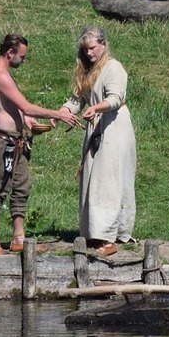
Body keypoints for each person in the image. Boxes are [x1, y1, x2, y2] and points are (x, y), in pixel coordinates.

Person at [0, 33, 81, 256]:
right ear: (10, 53)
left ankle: (19, 238)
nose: (24, 61)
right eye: (22, 57)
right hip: (3, 140)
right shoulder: (0, 74)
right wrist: (58, 114)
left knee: (21, 186)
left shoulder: (4, 72)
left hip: (17, 139)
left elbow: (12, 105)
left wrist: (24, 120)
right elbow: (26, 106)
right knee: (0, 188)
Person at [60, 26, 136, 257]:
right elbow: (77, 98)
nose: (89, 53)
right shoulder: (87, 69)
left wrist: (96, 107)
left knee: (108, 180)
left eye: (93, 48)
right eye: (86, 49)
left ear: (103, 45)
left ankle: (110, 236)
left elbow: (115, 98)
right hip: (96, 127)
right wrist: (60, 114)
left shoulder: (114, 68)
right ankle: (95, 233)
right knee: (93, 178)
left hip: (114, 128)